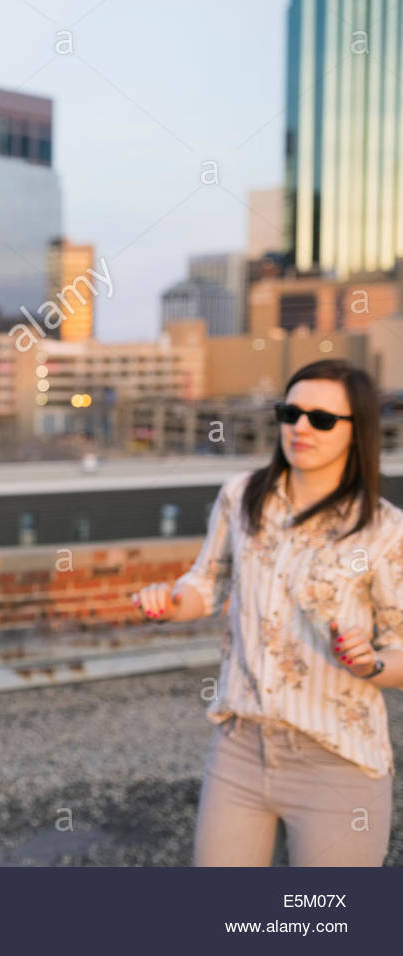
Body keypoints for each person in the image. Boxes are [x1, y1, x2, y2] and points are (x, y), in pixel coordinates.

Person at [132, 359, 403, 866]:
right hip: (240, 747)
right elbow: (206, 583)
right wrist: (169, 603)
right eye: (291, 412)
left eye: (322, 419)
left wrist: (370, 663)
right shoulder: (242, 497)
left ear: (357, 431)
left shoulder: (385, 531)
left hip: (337, 760)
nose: (301, 427)